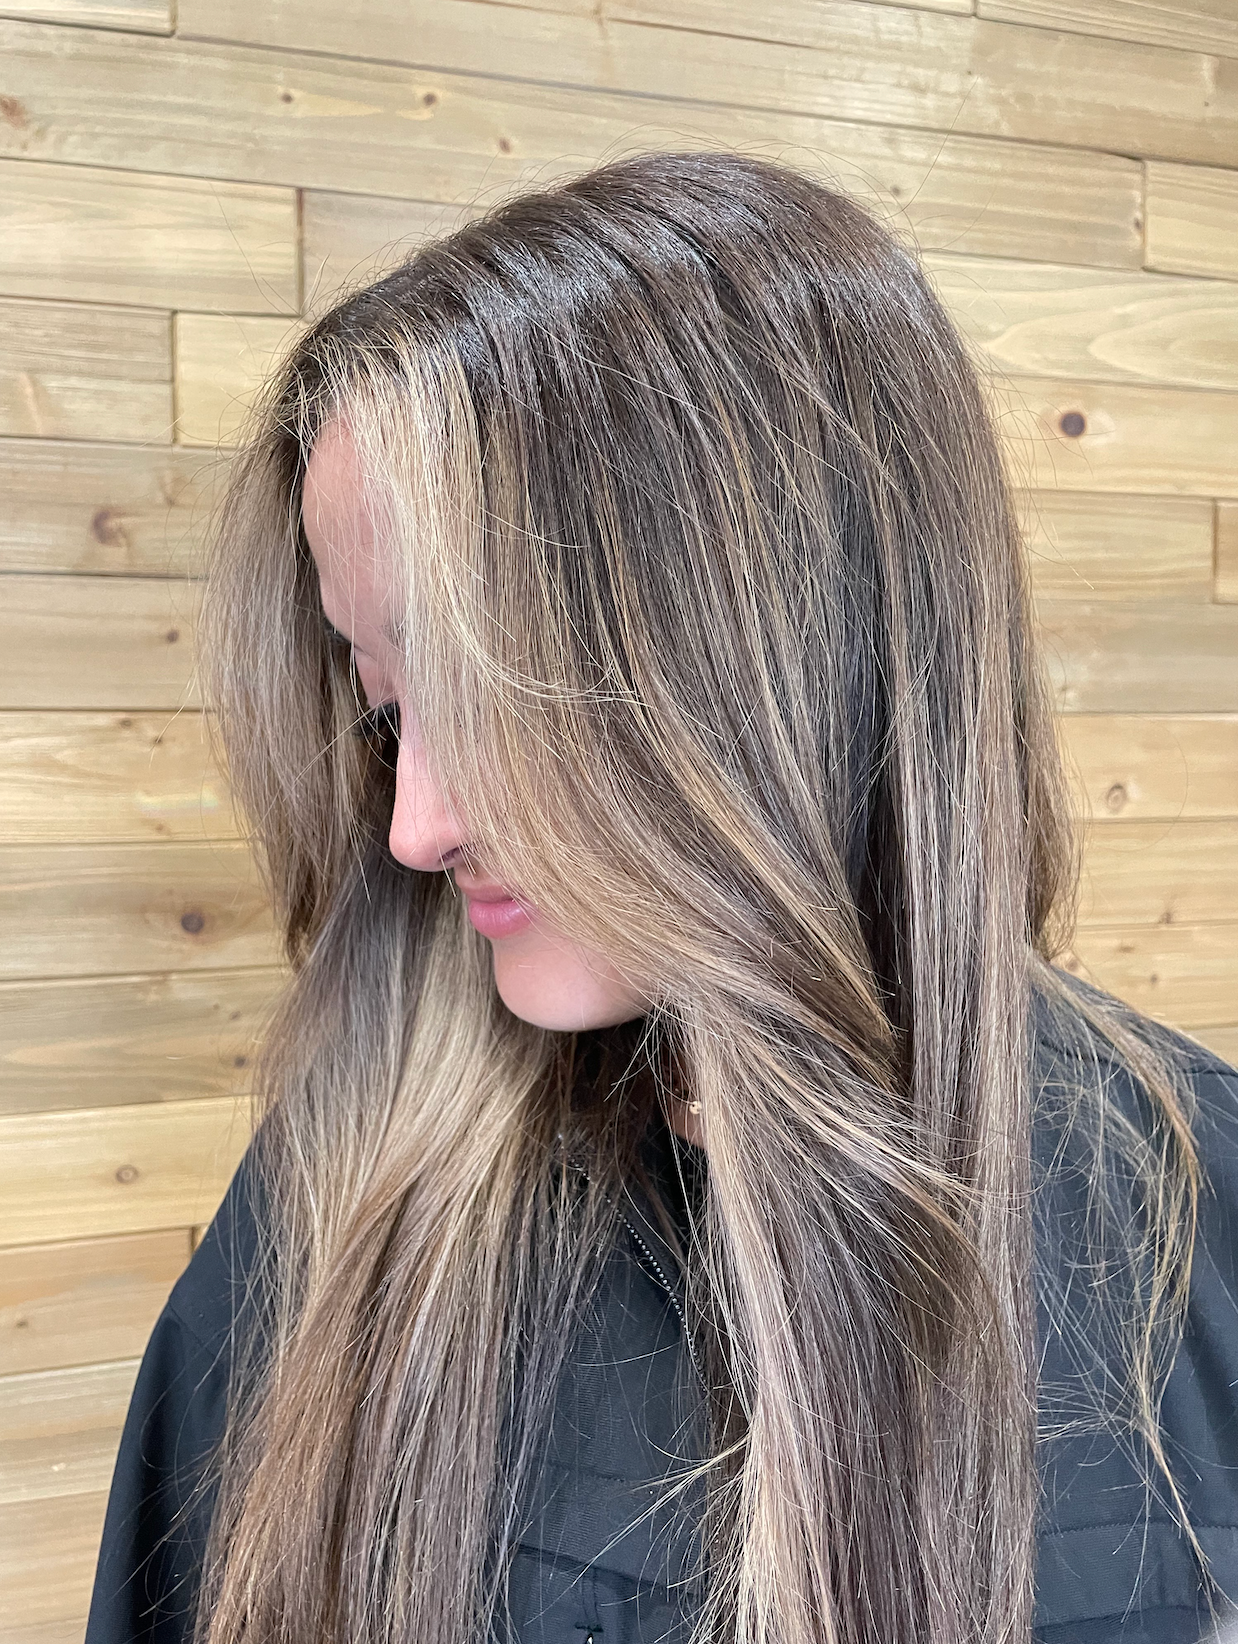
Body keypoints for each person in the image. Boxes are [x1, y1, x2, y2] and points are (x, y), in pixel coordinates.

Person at [83, 149, 1238, 1644]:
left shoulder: (1194, 1217)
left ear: (779, 658)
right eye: (383, 708)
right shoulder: (336, 1223)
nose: (415, 829)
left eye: (488, 695)